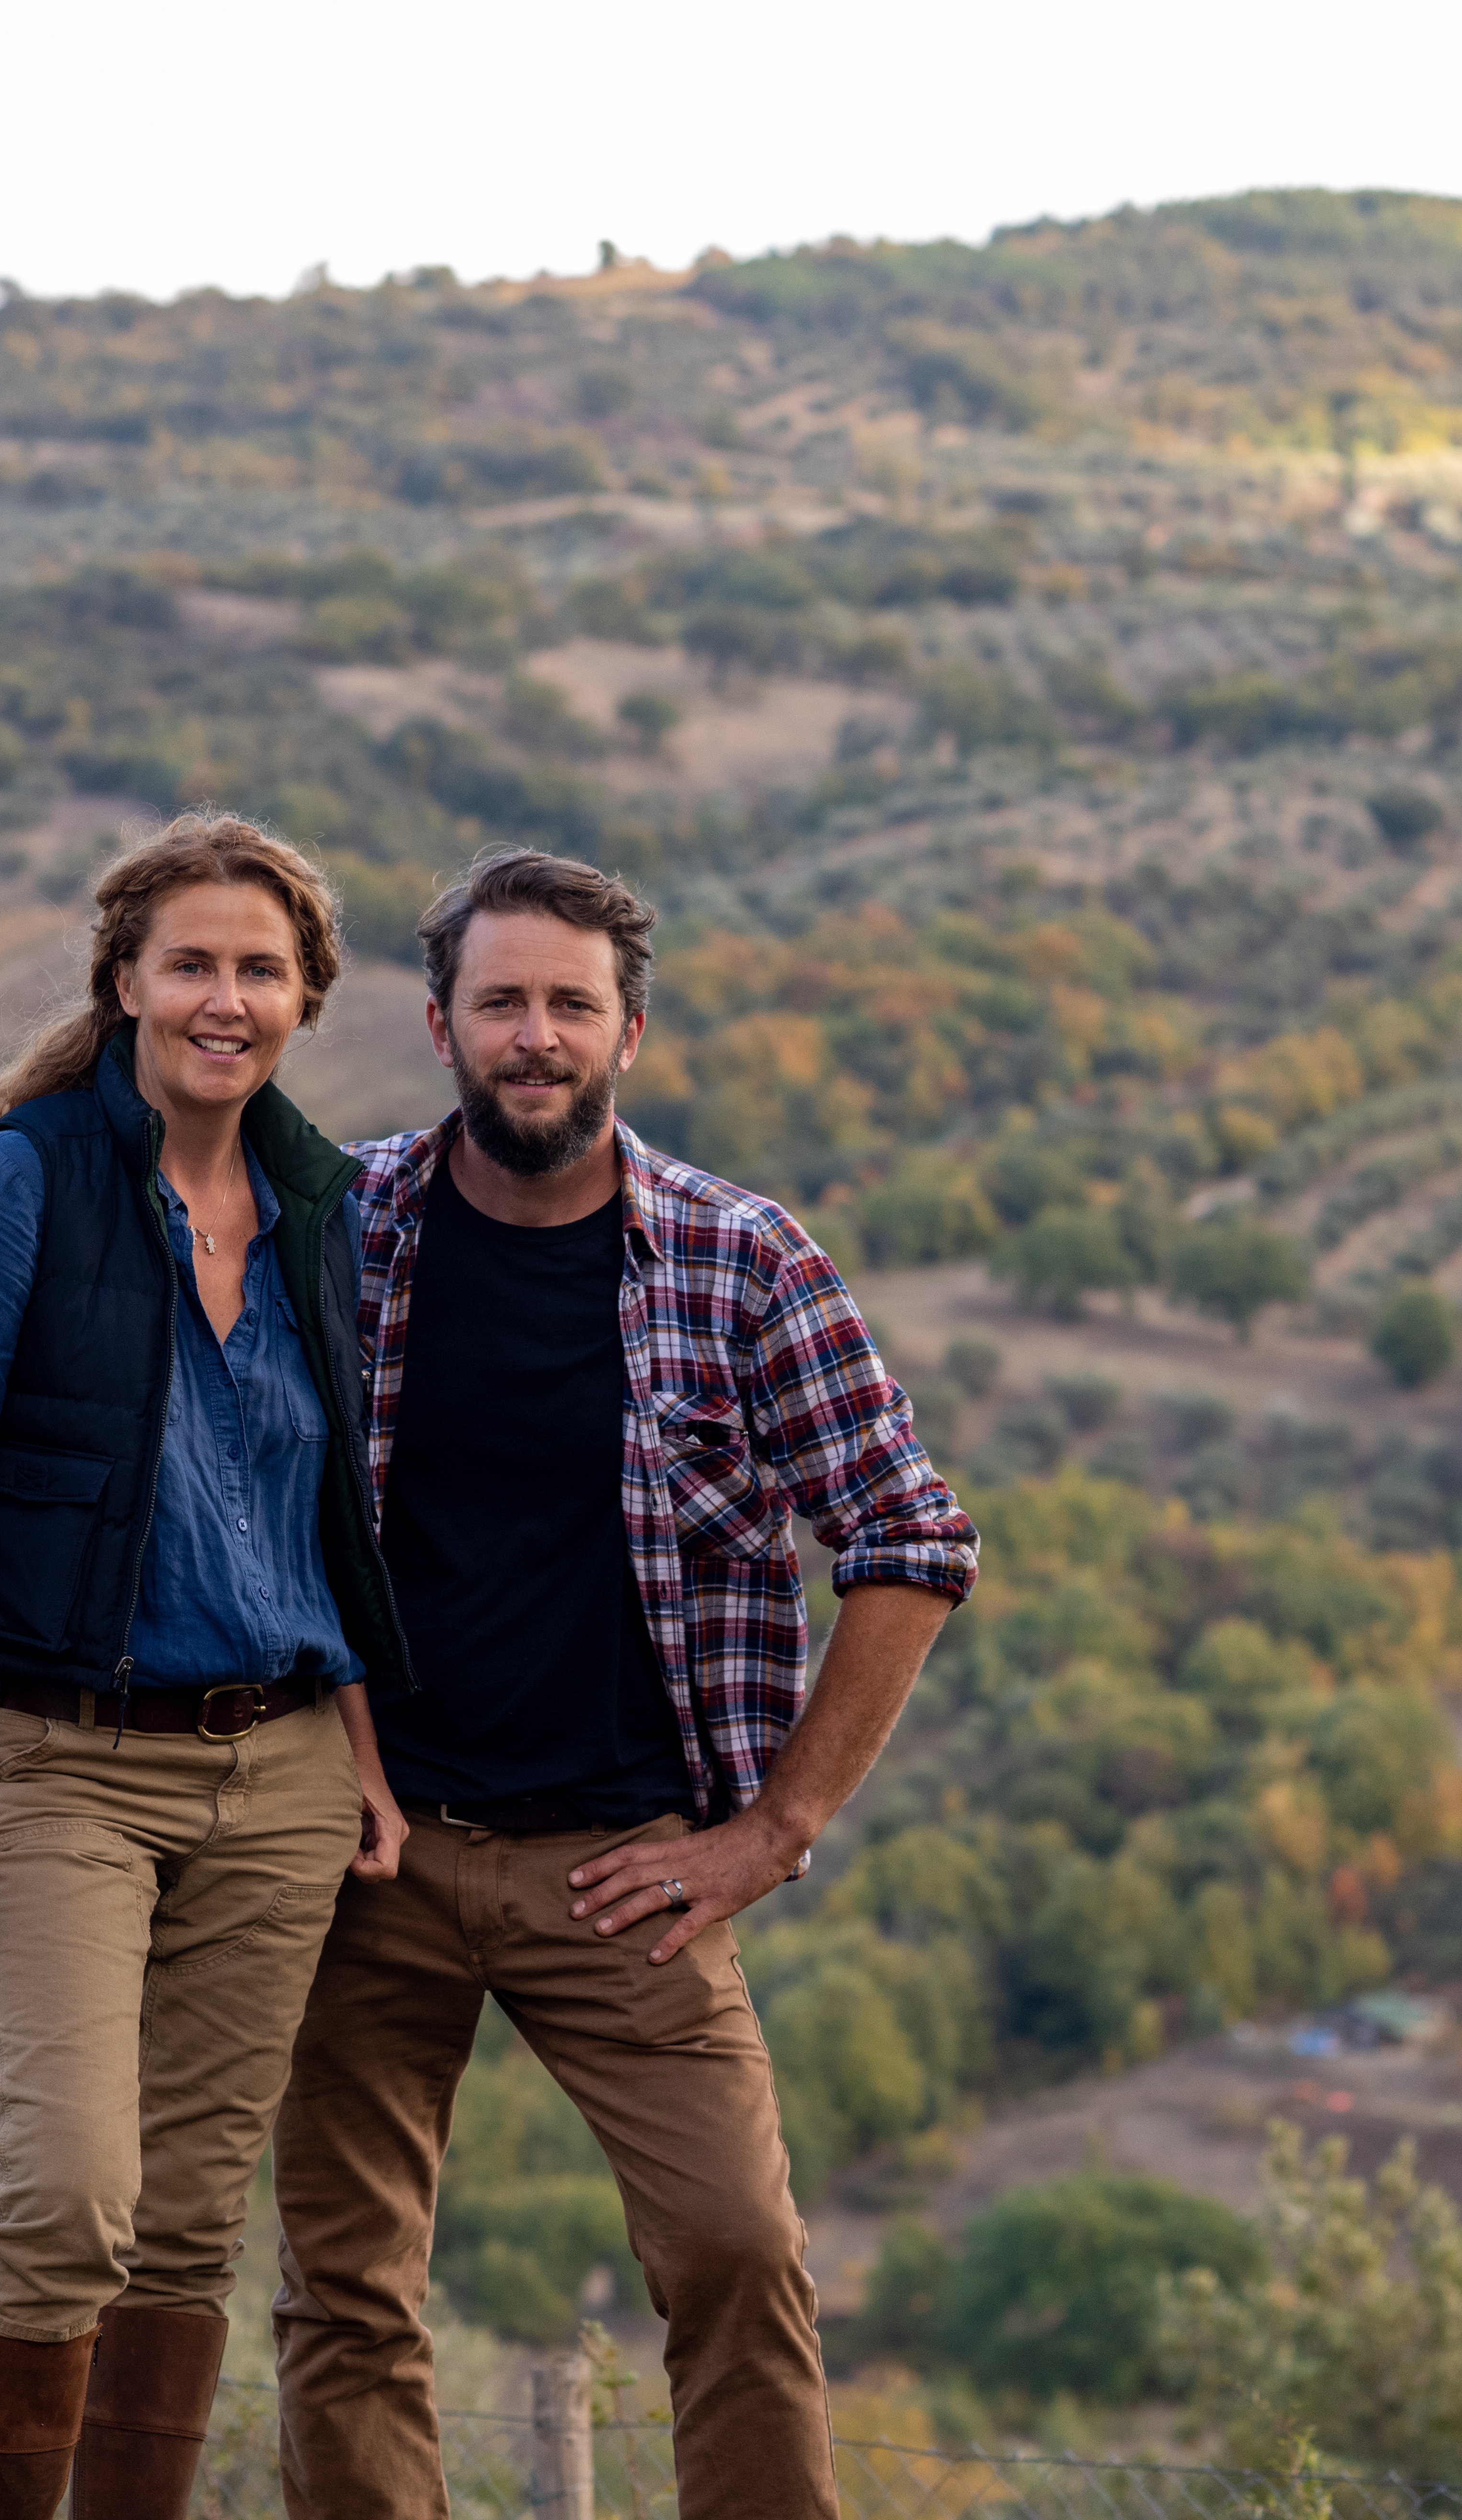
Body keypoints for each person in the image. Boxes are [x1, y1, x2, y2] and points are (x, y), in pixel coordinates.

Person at [269, 847, 978, 2520]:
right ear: (439, 1026)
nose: (536, 1036)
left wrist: (773, 1831)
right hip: (369, 1850)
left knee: (737, 2253)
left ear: (628, 1033)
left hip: (629, 1870)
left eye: (570, 1006)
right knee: (345, 2289)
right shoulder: (342, 1230)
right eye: (501, 1002)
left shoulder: (742, 1259)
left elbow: (910, 1538)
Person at [0, 812, 416, 2520]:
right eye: (191, 965)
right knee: (71, 2203)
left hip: (285, 1775)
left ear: (305, 1001)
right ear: (124, 984)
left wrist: (361, 1755)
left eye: (261, 970)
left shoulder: (321, 1211)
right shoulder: (16, 1187)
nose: (223, 999)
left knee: (185, 2229)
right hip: (63, 1766)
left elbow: (323, 1516)